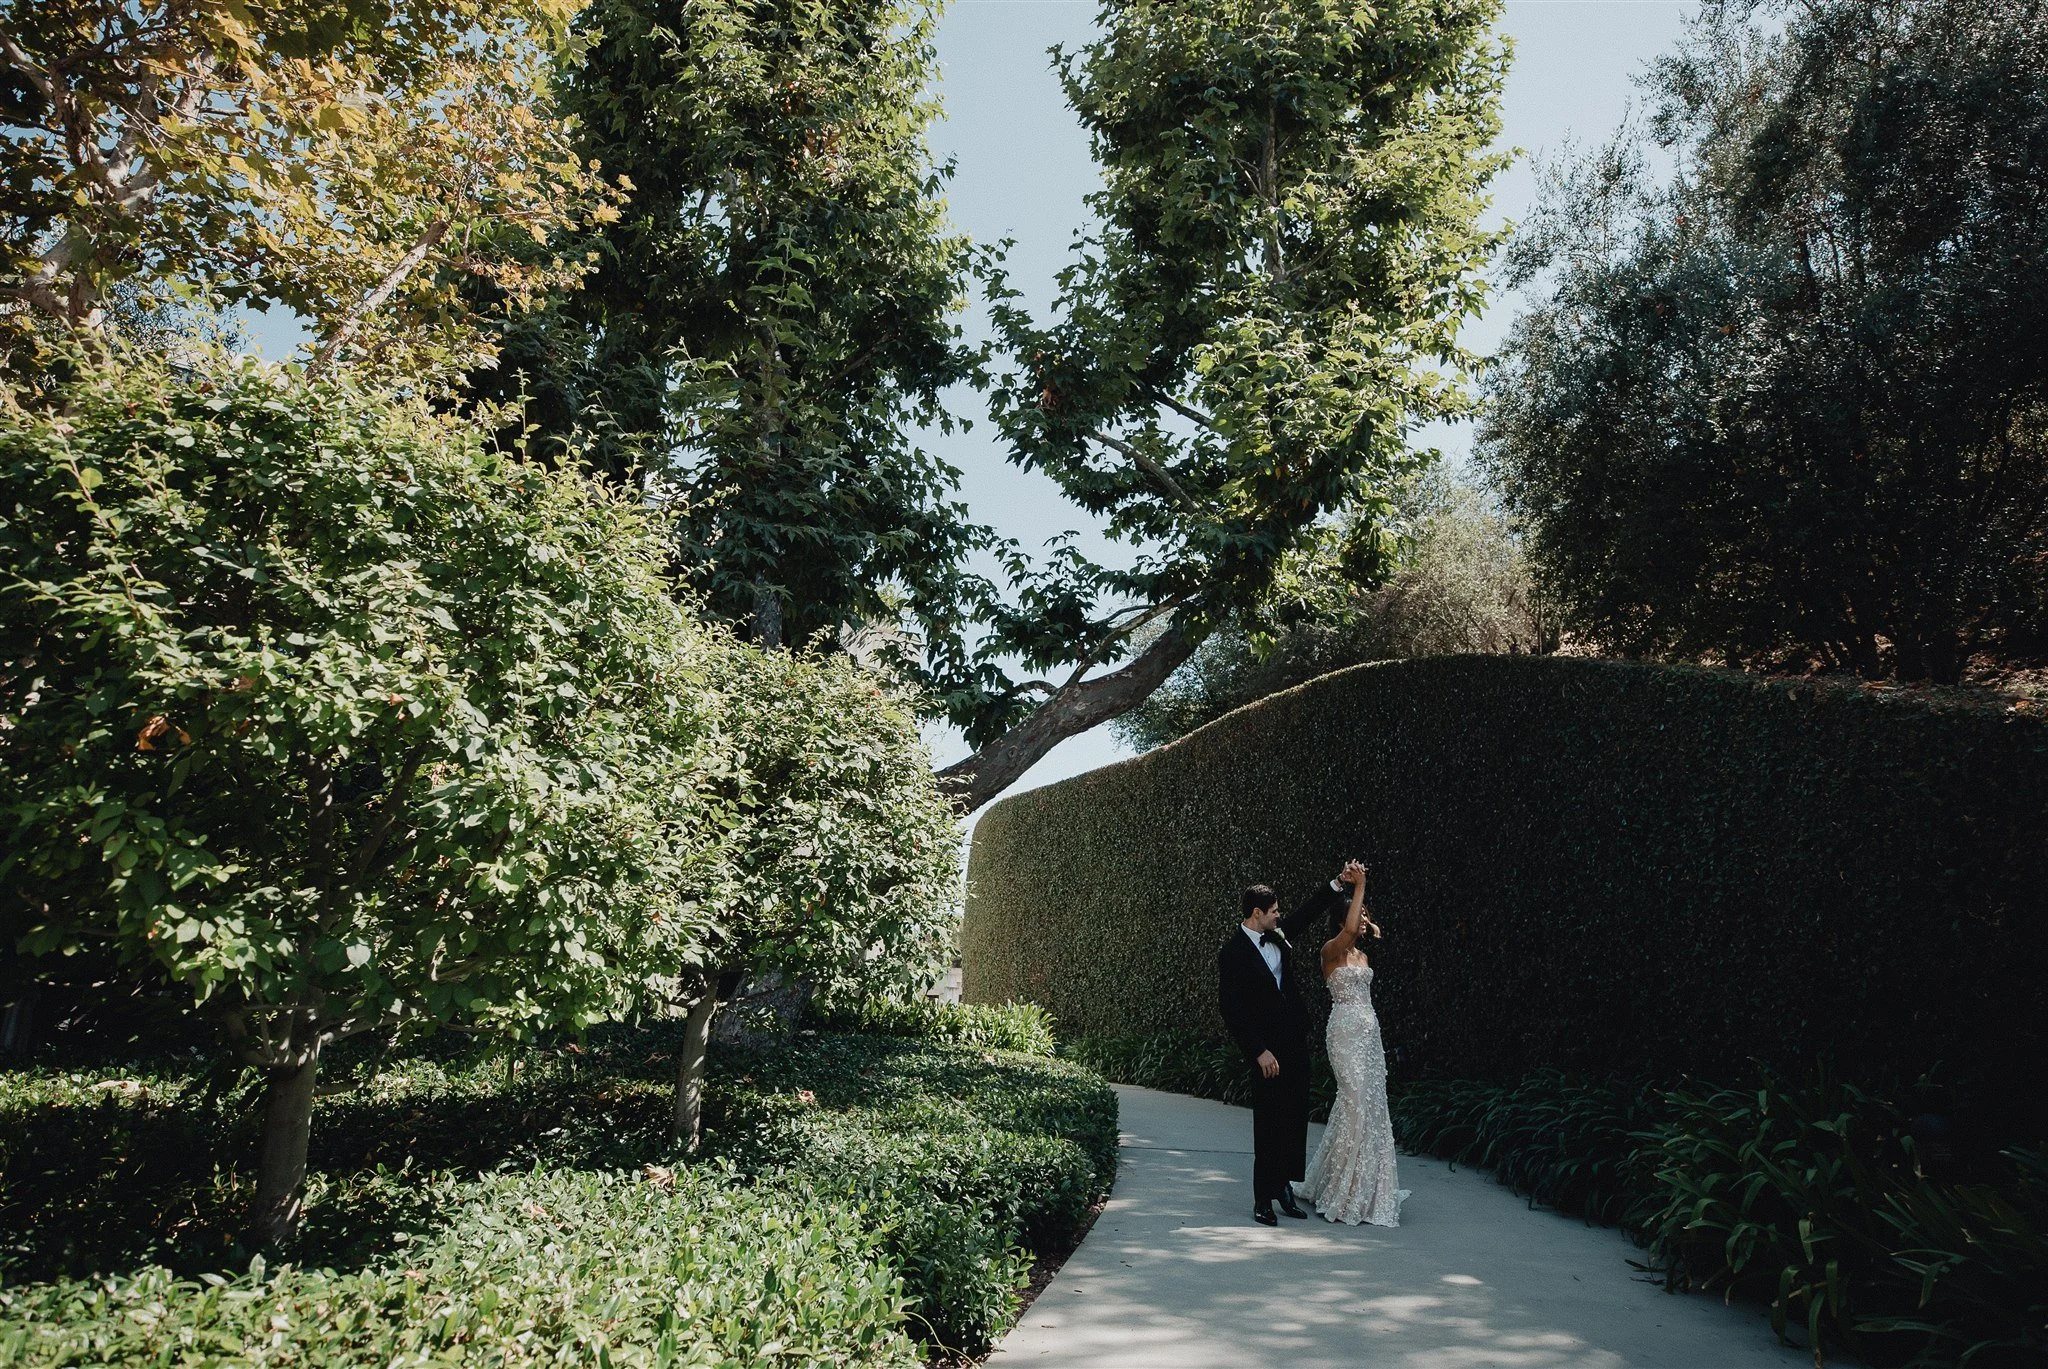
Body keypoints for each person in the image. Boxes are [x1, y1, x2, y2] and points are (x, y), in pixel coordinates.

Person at [1216, 864, 1357, 1226]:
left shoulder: (1278, 934)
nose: (1280, 915)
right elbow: (1231, 1010)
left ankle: (1284, 1188)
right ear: (1256, 913)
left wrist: (1338, 884)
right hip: (1265, 1050)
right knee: (1268, 1122)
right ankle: (1262, 1197)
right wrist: (1258, 1051)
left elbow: (1309, 912)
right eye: (1273, 910)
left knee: (1295, 1117)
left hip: (1293, 1038)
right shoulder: (1231, 953)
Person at [1297, 862, 1407, 1225]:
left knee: (1370, 1107)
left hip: (1369, 1038)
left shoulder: (1362, 956)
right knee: (1355, 1102)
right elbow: (1347, 930)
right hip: (1344, 1035)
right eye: (1358, 914)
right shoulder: (1332, 950)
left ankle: (1364, 1185)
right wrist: (1359, 885)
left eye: (1365, 915)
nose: (1363, 919)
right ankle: (1342, 1190)